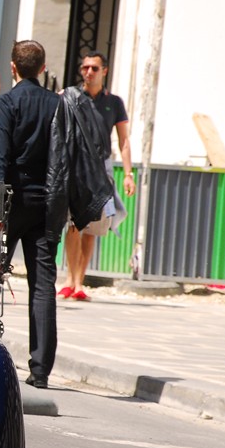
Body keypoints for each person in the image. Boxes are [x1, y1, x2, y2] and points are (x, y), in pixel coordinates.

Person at [0, 40, 61, 389]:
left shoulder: (7, 103)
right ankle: (40, 370)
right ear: (42, 68)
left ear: (13, 68)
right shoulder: (58, 105)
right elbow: (63, 157)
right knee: (43, 285)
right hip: (46, 203)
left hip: (9, 203)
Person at [60, 52, 135, 301]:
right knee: (73, 224)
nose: (89, 72)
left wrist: (128, 174)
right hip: (75, 167)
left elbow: (124, 140)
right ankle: (70, 279)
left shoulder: (114, 102)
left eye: (94, 68)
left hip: (101, 170)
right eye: (85, 68)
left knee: (93, 227)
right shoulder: (70, 97)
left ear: (104, 70)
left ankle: (80, 282)